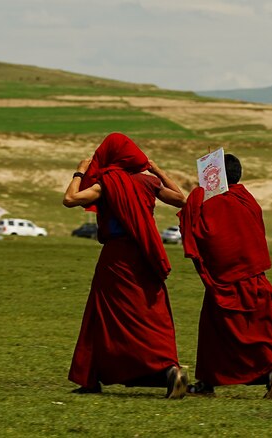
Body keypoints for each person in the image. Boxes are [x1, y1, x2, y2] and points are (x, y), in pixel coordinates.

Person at [62, 132, 189, 398]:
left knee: (102, 316)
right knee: (150, 315)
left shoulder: (106, 184)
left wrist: (79, 172)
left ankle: (90, 378)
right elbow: (182, 198)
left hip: (117, 258)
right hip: (146, 255)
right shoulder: (148, 182)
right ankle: (169, 369)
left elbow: (70, 199)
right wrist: (157, 169)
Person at [178, 153, 272, 399]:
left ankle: (207, 383)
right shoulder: (247, 199)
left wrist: (198, 195)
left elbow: (199, 230)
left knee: (215, 332)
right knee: (263, 329)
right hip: (255, 277)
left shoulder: (210, 202)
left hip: (225, 280)